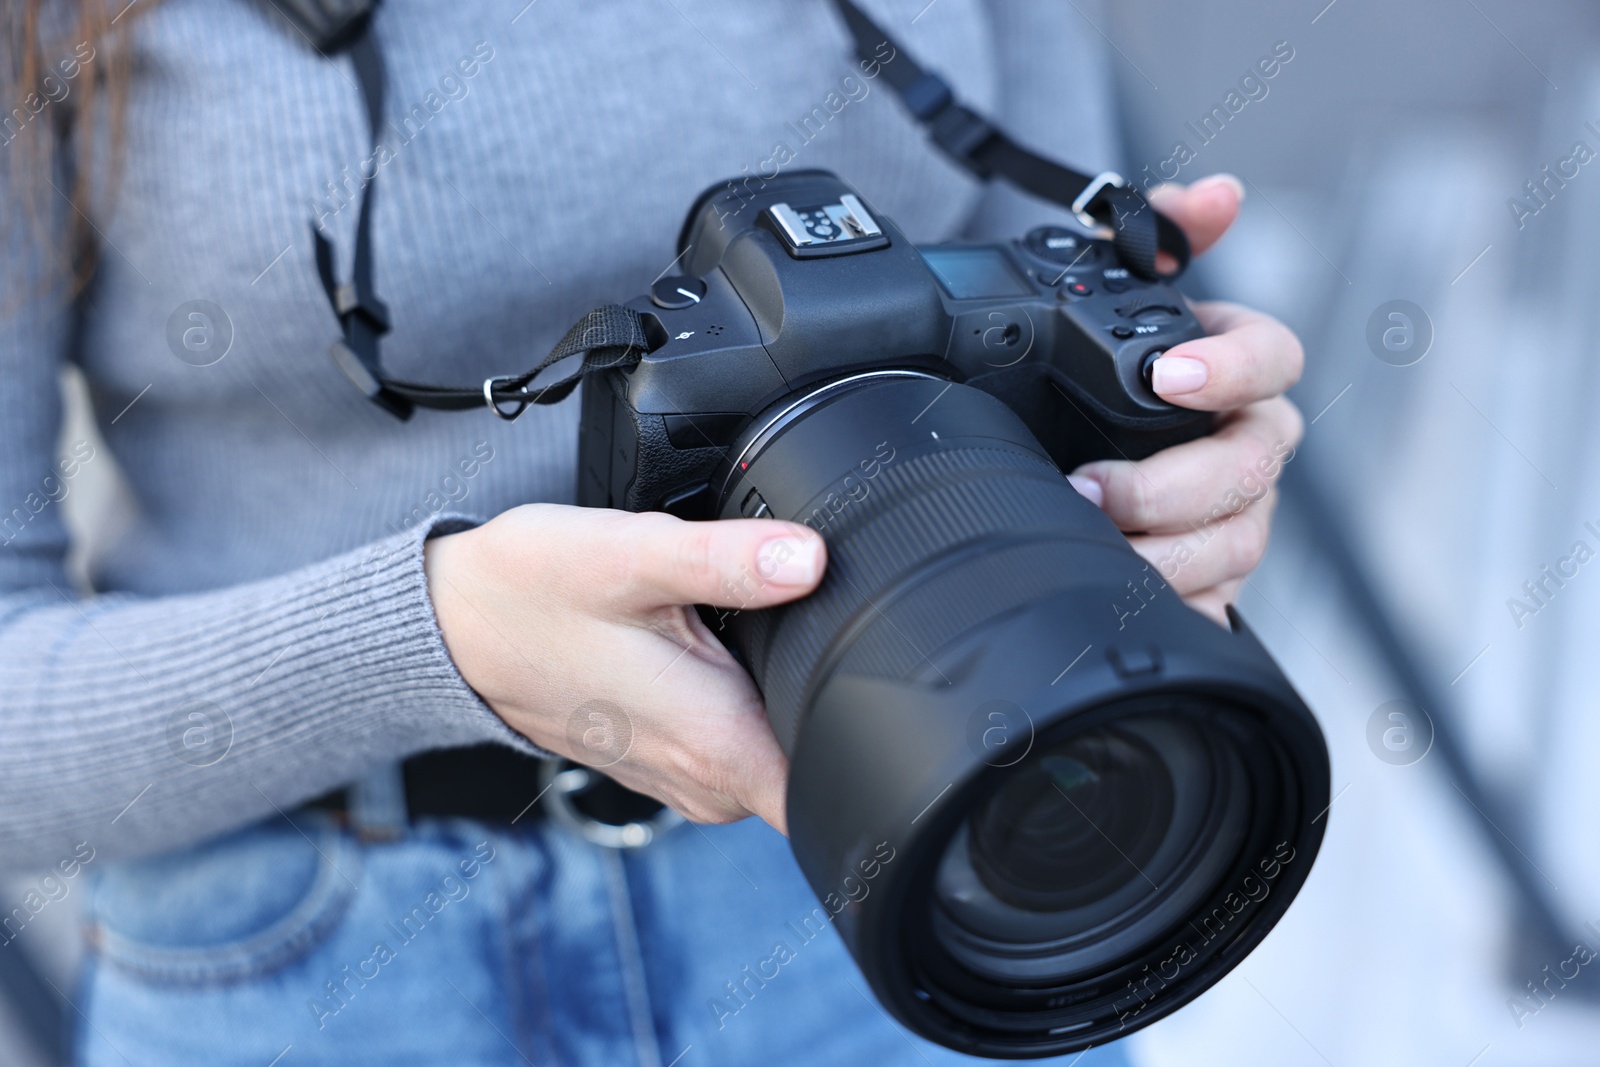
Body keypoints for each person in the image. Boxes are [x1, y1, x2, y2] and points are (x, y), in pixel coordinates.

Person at [0, 1, 1303, 1064]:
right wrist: (437, 638)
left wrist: (1171, 471)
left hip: (951, 845)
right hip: (314, 957)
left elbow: (1049, 285)